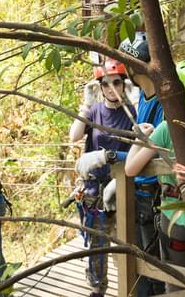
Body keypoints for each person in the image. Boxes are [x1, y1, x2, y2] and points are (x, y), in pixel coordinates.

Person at [125, 60, 185, 292]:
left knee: (176, 282)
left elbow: (130, 168)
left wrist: (141, 137)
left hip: (174, 216)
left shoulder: (167, 129)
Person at [69, 58, 137, 297]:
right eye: (105, 84)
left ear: (123, 84)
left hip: (123, 185)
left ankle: (132, 287)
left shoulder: (132, 112)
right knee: (98, 242)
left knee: (128, 237)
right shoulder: (95, 111)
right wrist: (85, 106)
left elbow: (138, 149)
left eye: (116, 83)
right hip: (94, 188)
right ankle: (98, 288)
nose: (111, 88)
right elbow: (74, 136)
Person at [119, 32, 165, 296]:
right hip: (138, 190)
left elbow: (155, 148)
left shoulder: (161, 100)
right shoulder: (144, 98)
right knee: (137, 266)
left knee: (154, 265)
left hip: (153, 192)